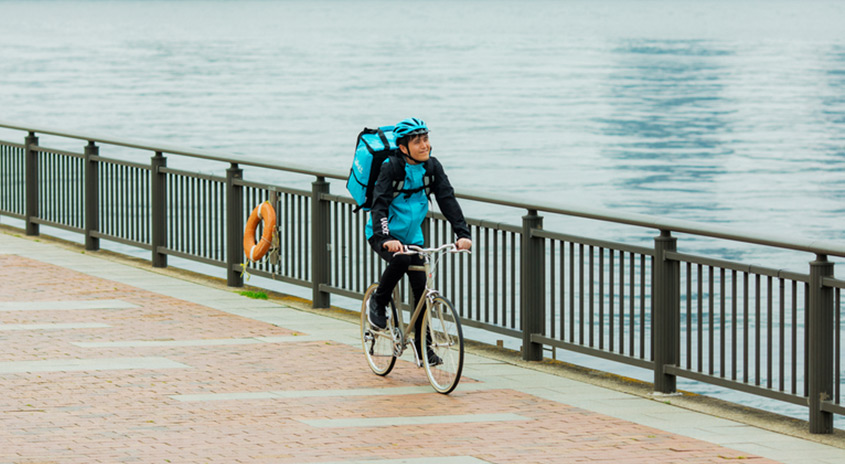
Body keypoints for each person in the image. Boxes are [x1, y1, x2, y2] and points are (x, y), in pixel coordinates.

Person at [365, 117, 472, 365]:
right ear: (403, 148)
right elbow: (379, 205)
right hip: (382, 233)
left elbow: (447, 199)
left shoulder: (431, 167)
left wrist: (462, 233)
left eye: (426, 139)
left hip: (414, 237)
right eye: (418, 142)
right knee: (401, 259)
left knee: (422, 289)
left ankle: (425, 347)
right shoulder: (391, 168)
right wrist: (386, 238)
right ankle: (378, 301)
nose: (425, 145)